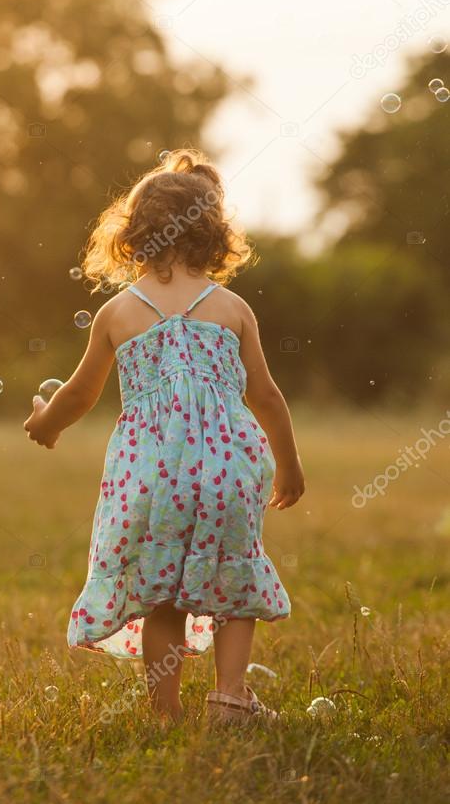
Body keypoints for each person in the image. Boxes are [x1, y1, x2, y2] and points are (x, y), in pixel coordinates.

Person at [24, 148, 304, 724]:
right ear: (216, 234)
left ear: (131, 234)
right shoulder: (231, 308)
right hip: (227, 472)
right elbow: (267, 396)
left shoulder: (118, 313)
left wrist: (45, 423)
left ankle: (165, 711)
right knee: (235, 576)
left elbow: (78, 394)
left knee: (163, 594)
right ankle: (230, 697)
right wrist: (289, 466)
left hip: (151, 479)